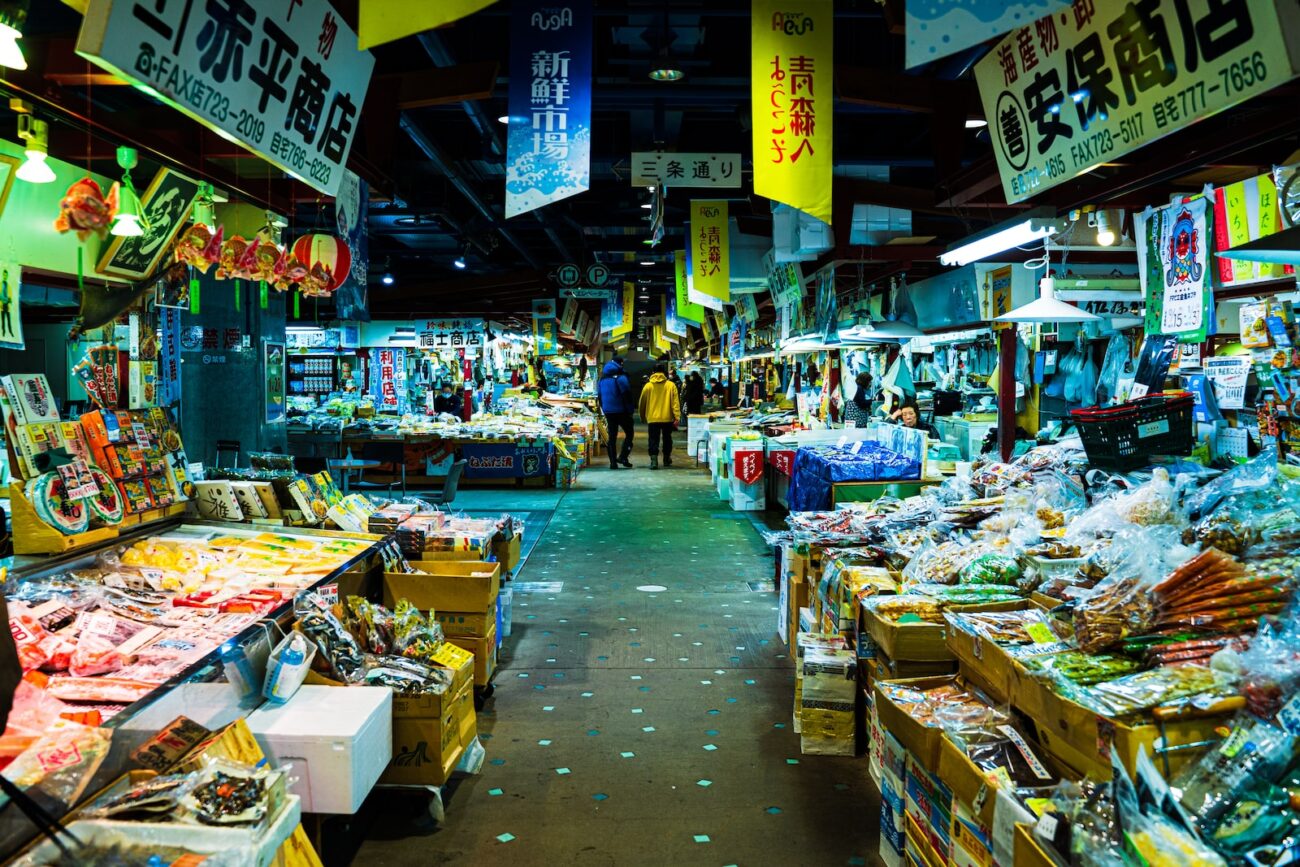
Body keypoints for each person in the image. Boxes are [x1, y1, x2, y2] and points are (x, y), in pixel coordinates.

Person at [638, 362, 681, 469]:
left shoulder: (648, 386)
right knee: (667, 439)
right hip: (667, 418)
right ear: (665, 373)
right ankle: (666, 459)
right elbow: (675, 403)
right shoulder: (671, 385)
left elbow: (642, 402)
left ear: (653, 372)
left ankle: (654, 461)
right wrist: (677, 417)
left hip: (652, 418)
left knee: (653, 439)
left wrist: (642, 416)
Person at [598, 356, 634, 468]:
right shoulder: (621, 377)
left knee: (612, 437)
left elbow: (599, 396)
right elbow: (626, 394)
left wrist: (604, 408)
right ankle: (623, 457)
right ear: (621, 363)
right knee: (630, 433)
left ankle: (613, 463)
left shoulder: (602, 379)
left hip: (609, 411)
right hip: (621, 411)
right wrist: (630, 410)